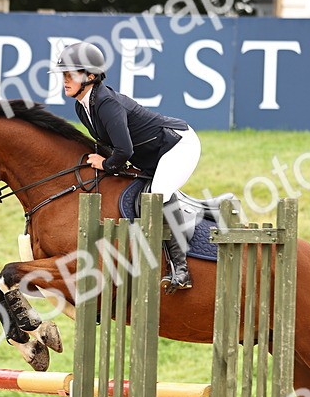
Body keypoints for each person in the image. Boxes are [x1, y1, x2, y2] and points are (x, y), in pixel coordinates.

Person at [52, 41, 200, 292]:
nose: (65, 80)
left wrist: (107, 164)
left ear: (90, 76)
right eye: (63, 74)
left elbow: (124, 151)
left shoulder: (107, 103)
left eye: (71, 74)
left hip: (178, 145)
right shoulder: (81, 106)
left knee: (157, 195)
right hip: (154, 154)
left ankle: (181, 268)